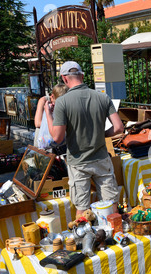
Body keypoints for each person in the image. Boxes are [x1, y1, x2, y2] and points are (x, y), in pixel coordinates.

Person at [45, 61, 124, 216]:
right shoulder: (102, 97)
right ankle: (115, 235)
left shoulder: (62, 102)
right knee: (111, 204)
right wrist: (103, 134)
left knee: (82, 208)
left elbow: (57, 137)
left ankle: (84, 237)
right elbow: (119, 128)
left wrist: (48, 114)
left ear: (64, 79)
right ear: (81, 76)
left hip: (78, 162)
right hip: (101, 158)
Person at [34, 83, 68, 148]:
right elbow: (37, 123)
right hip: (44, 143)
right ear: (52, 96)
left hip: (59, 144)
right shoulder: (43, 101)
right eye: (57, 103)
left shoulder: (65, 102)